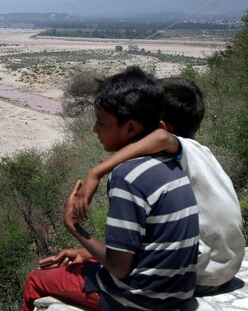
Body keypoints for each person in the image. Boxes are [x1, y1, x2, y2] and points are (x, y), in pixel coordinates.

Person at [22, 66, 200, 311]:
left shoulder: (127, 176)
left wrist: (73, 227)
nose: (95, 129)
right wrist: (88, 254)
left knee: (35, 281)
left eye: (101, 122)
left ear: (130, 128)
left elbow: (119, 267)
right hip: (177, 295)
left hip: (139, 300)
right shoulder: (172, 162)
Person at [73, 76, 245, 296]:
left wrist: (96, 172)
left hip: (200, 274)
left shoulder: (181, 149)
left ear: (161, 126)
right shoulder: (203, 153)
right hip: (223, 269)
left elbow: (162, 138)